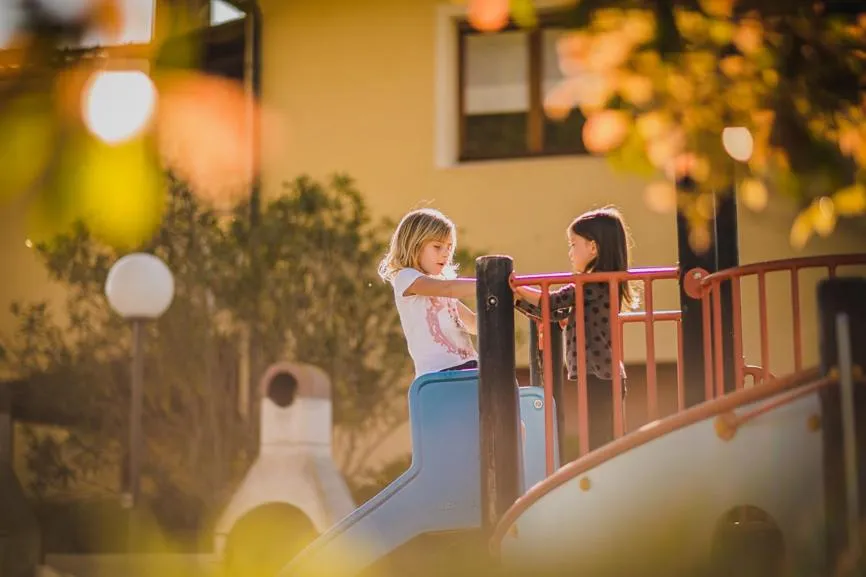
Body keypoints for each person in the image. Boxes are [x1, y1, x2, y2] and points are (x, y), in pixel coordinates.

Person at [513, 206, 637, 451]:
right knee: (599, 438)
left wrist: (518, 287)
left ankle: (606, 471)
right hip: (597, 374)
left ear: (593, 247)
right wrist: (517, 301)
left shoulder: (594, 283)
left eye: (573, 244)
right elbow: (554, 313)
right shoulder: (592, 285)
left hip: (601, 376)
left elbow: (551, 301)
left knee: (601, 440)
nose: (570, 252)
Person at [378, 208, 478, 377]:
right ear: (414, 246)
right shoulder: (406, 277)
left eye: (449, 247)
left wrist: (504, 298)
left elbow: (474, 324)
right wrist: (490, 284)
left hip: (470, 368)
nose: (446, 253)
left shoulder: (444, 295)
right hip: (438, 374)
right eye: (437, 247)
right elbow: (448, 288)